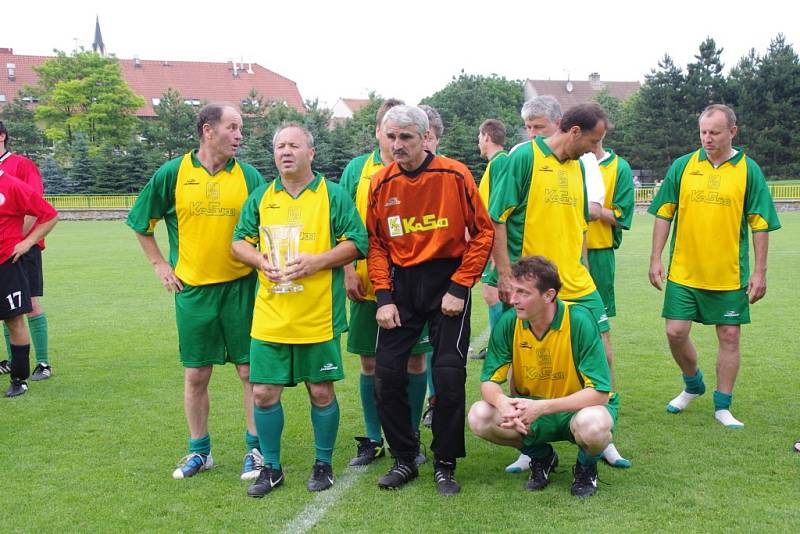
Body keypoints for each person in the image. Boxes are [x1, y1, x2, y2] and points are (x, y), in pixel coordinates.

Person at [126, 103, 266, 480]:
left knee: (249, 371)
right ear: (208, 130)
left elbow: (265, 226)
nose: (239, 135)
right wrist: (159, 264)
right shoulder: (173, 172)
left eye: (241, 128)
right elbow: (141, 223)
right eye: (232, 127)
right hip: (193, 291)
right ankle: (200, 451)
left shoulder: (250, 176)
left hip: (242, 288)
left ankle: (256, 449)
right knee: (196, 375)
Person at [232, 123, 367, 497]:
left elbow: (357, 242)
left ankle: (322, 463)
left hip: (317, 315)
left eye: (293, 145)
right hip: (271, 315)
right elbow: (238, 243)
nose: (285, 151)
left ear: (311, 152)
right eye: (278, 146)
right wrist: (260, 260)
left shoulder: (332, 196)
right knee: (263, 393)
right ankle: (271, 468)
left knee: (321, 391)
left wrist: (318, 261)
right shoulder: (261, 197)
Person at [491, 102, 627, 472]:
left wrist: (582, 267)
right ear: (574, 132)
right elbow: (497, 219)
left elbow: (580, 225)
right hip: (532, 283)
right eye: (594, 140)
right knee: (523, 357)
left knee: (603, 348)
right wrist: (505, 276)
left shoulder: (582, 167)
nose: (596, 148)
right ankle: (528, 437)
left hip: (576, 280)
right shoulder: (523, 159)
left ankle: (603, 432)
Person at [367, 105, 494, 495]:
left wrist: (460, 286)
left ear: (425, 137)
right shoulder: (380, 182)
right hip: (401, 288)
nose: (397, 144)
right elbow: (376, 244)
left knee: (450, 376)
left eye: (405, 137)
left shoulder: (454, 174)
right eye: (391, 137)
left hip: (448, 281)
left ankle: (445, 462)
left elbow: (483, 233)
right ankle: (405, 458)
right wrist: (384, 297)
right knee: (386, 377)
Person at [648, 103, 781, 428]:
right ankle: (693, 382)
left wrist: (760, 271)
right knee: (675, 332)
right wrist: (655, 258)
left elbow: (760, 223)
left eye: (715, 132)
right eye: (703, 132)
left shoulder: (749, 170)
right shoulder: (683, 166)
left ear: (732, 132)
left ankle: (723, 406)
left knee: (730, 336)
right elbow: (665, 212)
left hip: (729, 274)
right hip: (683, 271)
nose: (707, 138)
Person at [468, 256, 615, 498]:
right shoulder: (509, 323)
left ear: (549, 295)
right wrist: (502, 402)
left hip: (576, 409)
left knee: (594, 425)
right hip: (530, 410)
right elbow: (489, 382)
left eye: (523, 293)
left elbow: (600, 393)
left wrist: (543, 407)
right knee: (479, 416)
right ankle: (542, 457)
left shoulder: (578, 320)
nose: (513, 300)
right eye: (513, 291)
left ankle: (586, 465)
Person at [339, 99, 432, 467]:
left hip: (413, 285)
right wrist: (348, 270)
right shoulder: (357, 170)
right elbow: (344, 223)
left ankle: (408, 436)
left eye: (401, 133)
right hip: (366, 282)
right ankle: (373, 437)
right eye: (387, 130)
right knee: (370, 362)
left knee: (413, 362)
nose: (394, 140)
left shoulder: (423, 170)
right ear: (378, 131)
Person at [585, 135, 635, 467]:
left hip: (598, 256)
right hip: (556, 255)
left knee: (599, 337)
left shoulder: (617, 167)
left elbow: (622, 216)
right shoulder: (547, 161)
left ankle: (603, 426)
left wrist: (596, 211)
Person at [0, 122, 53, 381]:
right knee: (7, 310)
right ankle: (14, 362)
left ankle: (42, 362)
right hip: (4, 252)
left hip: (22, 248)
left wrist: (24, 242)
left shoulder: (21, 165)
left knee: (29, 304)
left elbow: (37, 207)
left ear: (2, 136)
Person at [473, 119, 509, 360]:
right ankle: (498, 346)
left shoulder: (501, 163)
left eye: (479, 136)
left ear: (486, 137)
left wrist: (498, 254)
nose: (478, 142)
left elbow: (499, 211)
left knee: (492, 293)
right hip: (485, 242)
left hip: (491, 243)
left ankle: (500, 347)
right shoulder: (494, 164)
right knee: (490, 293)